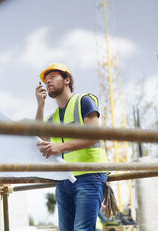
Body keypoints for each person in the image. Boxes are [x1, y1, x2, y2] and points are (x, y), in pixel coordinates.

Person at [35, 63, 109, 231]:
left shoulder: (84, 101)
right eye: (46, 81)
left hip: (89, 176)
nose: (48, 82)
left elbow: (94, 135)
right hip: (64, 180)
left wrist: (60, 147)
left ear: (67, 79)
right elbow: (38, 138)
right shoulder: (52, 118)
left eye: (52, 77)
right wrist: (40, 105)